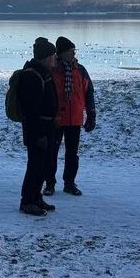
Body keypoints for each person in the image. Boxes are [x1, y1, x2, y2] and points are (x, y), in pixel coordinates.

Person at [47, 37, 96, 196]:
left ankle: (69, 183)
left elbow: (88, 92)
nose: (73, 54)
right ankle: (49, 184)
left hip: (74, 118)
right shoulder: (52, 70)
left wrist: (91, 114)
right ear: (61, 53)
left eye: (73, 51)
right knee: (51, 152)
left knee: (72, 153)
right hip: (56, 118)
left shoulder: (80, 70)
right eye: (70, 51)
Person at [17, 38, 59, 216]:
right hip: (37, 128)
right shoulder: (32, 76)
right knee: (35, 165)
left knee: (44, 165)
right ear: (45, 57)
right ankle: (27, 201)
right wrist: (38, 133)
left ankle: (36, 197)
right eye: (52, 56)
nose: (55, 59)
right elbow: (31, 109)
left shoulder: (44, 73)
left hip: (47, 126)